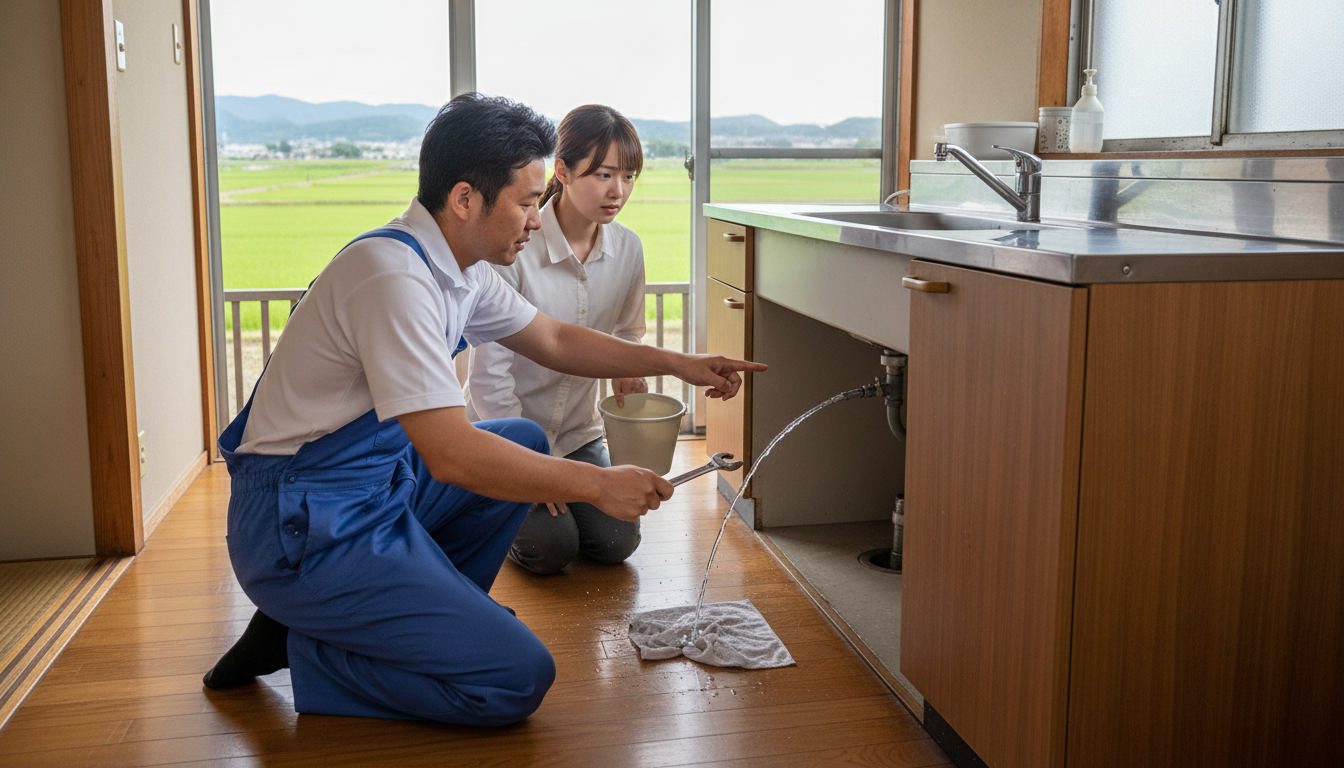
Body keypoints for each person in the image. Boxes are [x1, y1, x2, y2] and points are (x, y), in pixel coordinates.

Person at [201, 93, 766, 727]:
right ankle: (312, 648)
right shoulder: (394, 279)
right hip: (299, 521)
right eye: (526, 202)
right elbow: (451, 454)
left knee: (521, 437)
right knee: (515, 679)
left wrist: (676, 363)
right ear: (466, 199)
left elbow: (552, 339)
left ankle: (412, 623)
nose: (535, 217)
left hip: (372, 490)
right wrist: (598, 483)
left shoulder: (460, 268)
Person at [464, 104, 650, 575]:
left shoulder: (627, 248)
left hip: (577, 433)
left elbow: (628, 330)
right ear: (562, 171)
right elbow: (489, 380)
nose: (618, 191)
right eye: (605, 174)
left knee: (616, 541)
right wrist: (531, 469)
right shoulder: (515, 249)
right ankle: (481, 508)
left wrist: (628, 368)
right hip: (510, 434)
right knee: (551, 550)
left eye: (628, 176)